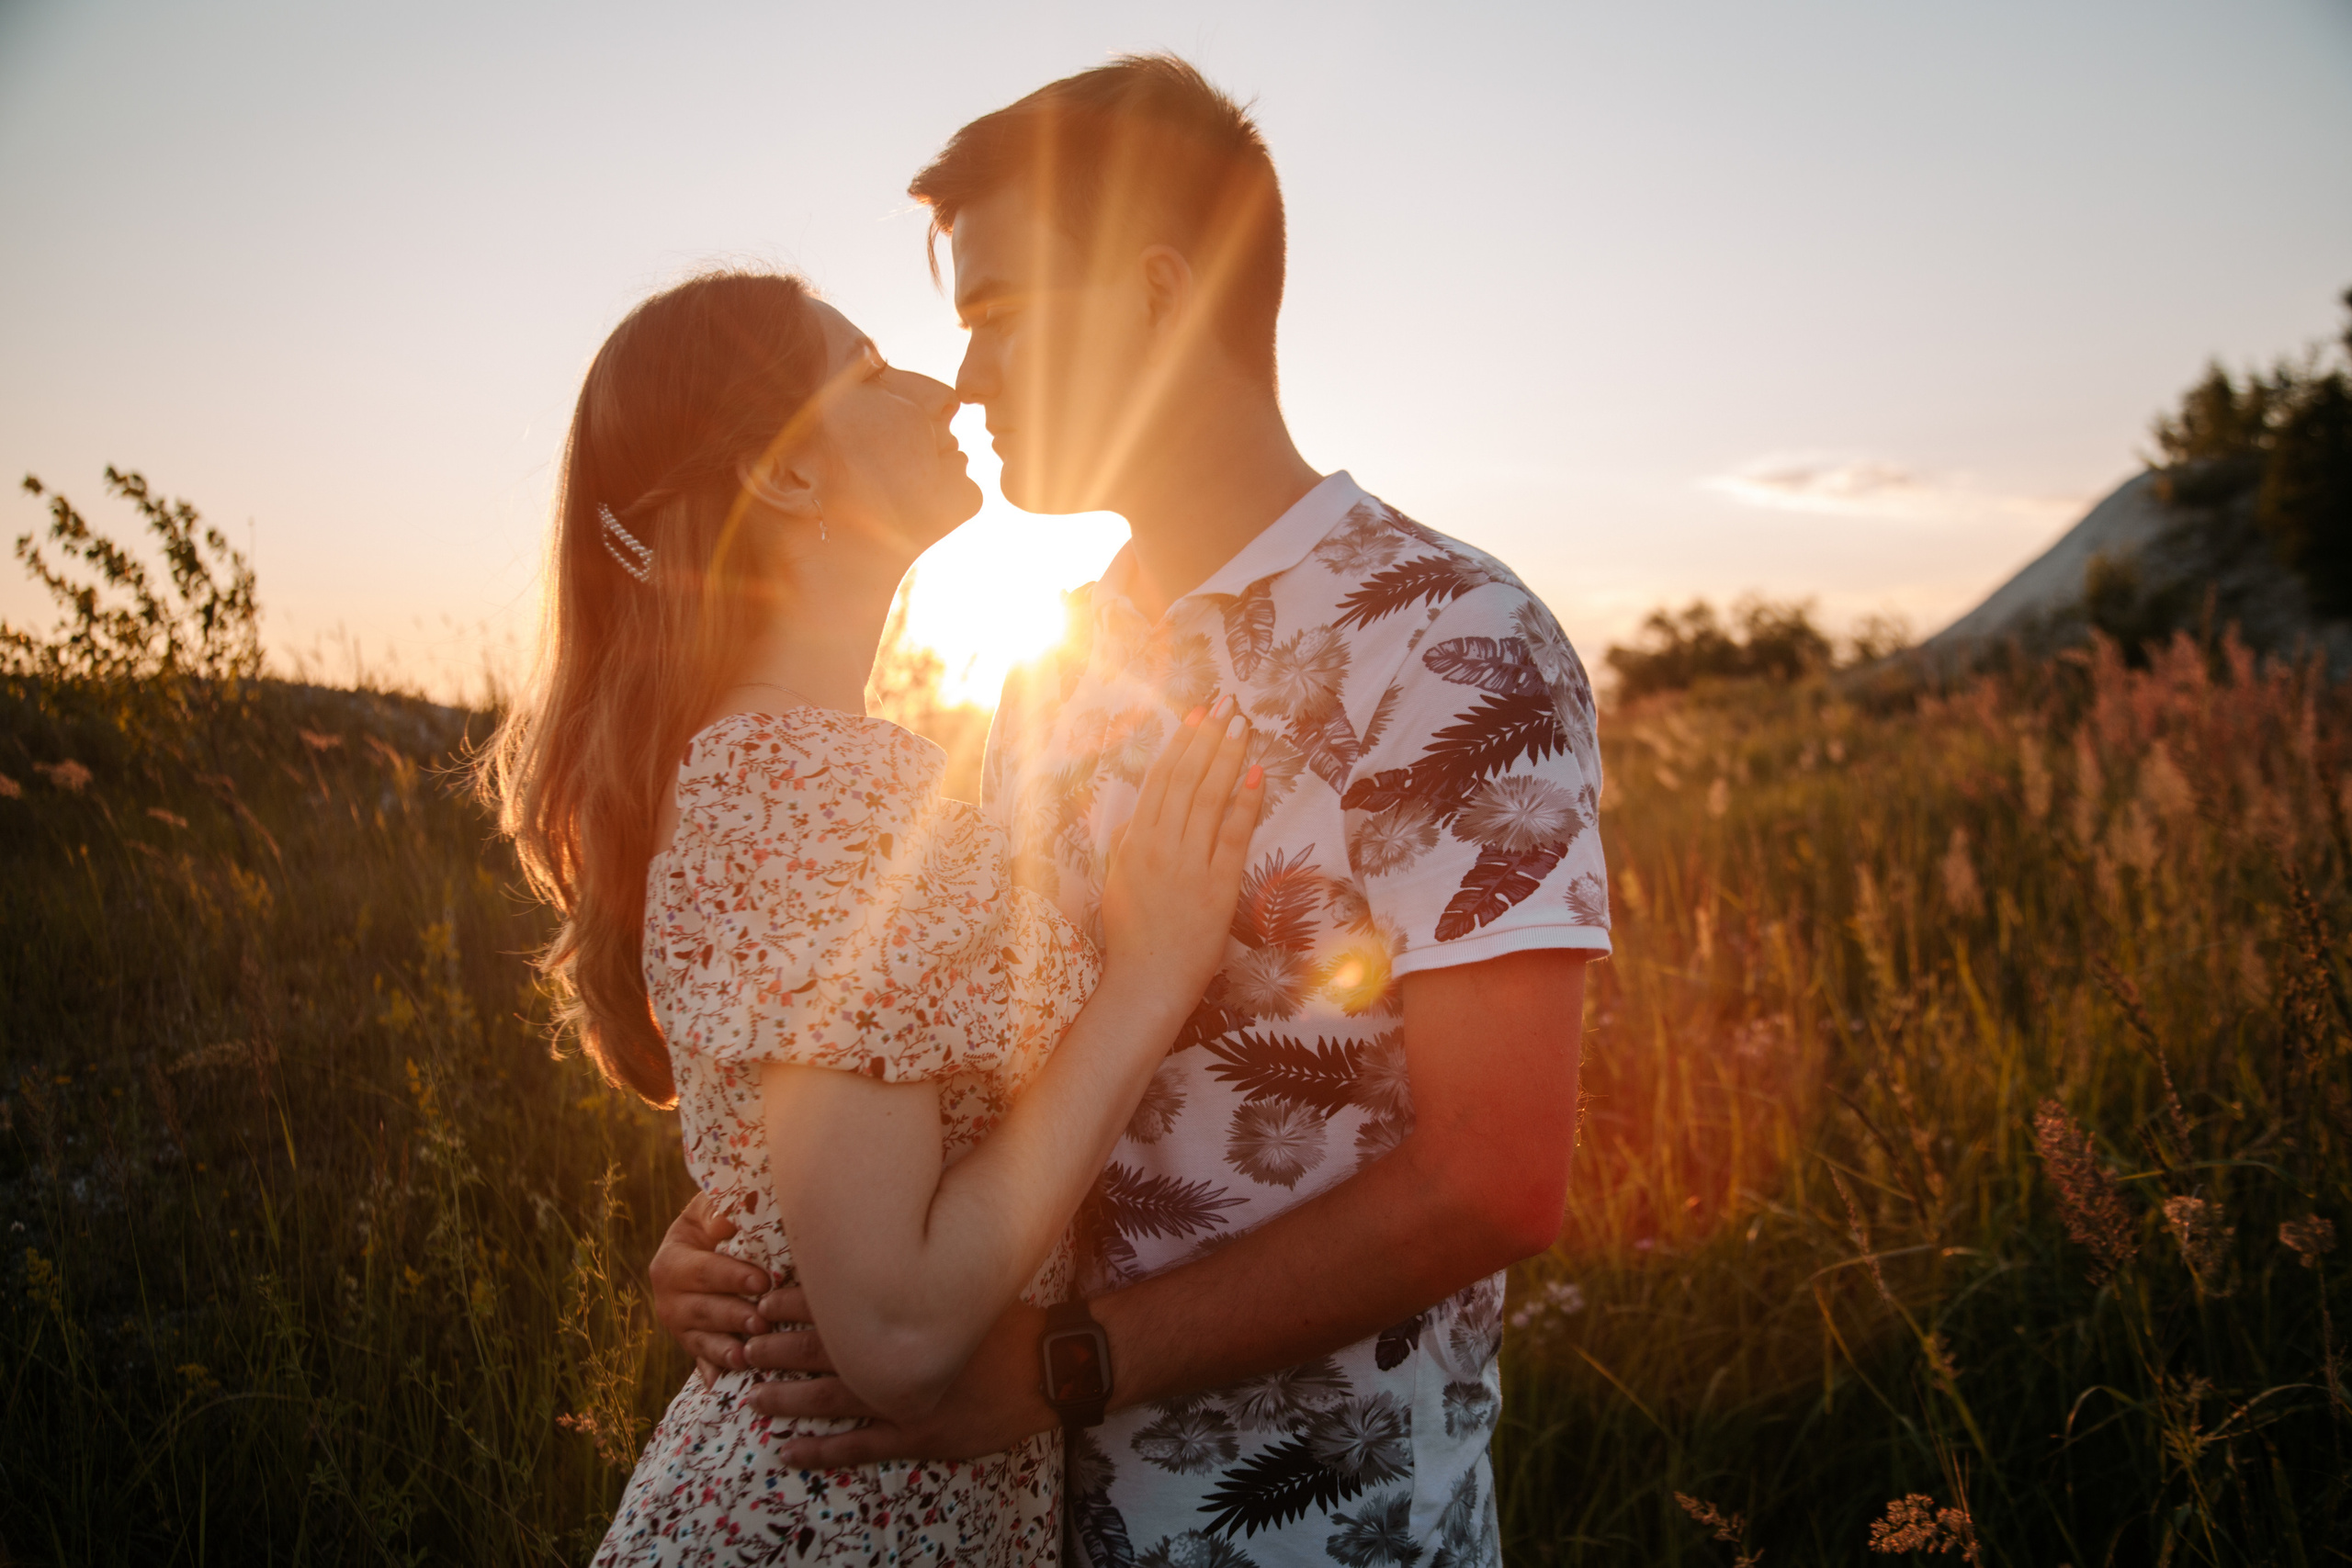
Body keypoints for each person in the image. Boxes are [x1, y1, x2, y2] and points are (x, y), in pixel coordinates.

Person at [648, 57, 1610, 1568]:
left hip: (1320, 1535)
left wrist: (1061, 1370)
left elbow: (1497, 1171)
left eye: (1000, 319)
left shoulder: (1447, 639)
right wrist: (746, 1240)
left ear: (1159, 295)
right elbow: (929, 1062)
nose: (966, 381)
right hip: (1012, 1530)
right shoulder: (1055, 670)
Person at [481, 267, 1267, 1564]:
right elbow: (896, 1333)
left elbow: (831, 1182)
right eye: (873, 371)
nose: (946, 383)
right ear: (787, 477)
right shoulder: (821, 785)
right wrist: (1149, 975)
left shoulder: (777, 766)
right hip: (832, 1524)